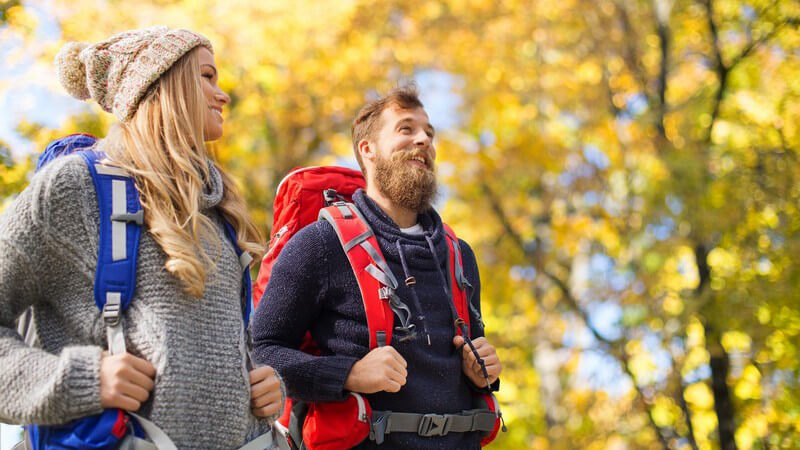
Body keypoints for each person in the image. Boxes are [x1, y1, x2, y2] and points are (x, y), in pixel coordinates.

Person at [0, 26, 284, 448]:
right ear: (160, 83)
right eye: (207, 77)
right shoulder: (74, 187)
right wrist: (81, 379)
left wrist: (262, 381)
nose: (223, 95)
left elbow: (217, 345)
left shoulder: (220, 209)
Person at [252, 85, 502, 448]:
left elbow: (472, 360)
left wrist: (483, 372)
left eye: (429, 133)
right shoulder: (320, 244)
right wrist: (348, 374)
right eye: (406, 129)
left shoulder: (459, 255)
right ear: (367, 150)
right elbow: (260, 351)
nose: (424, 141)